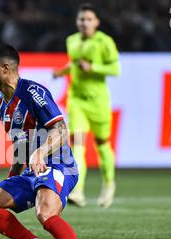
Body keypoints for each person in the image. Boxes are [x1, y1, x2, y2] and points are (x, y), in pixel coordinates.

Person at [0, 43, 104, 239]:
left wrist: (42, 151)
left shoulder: (34, 92)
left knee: (45, 212)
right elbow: (20, 144)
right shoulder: (1, 102)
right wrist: (13, 175)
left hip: (59, 164)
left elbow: (61, 130)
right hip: (32, 170)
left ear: (5, 67)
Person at [53, 3, 121, 208]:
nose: (85, 23)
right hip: (77, 100)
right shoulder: (71, 41)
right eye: (82, 19)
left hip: (98, 101)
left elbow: (115, 68)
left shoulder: (105, 42)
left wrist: (93, 67)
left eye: (89, 19)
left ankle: (109, 184)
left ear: (97, 22)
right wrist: (62, 72)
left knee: (102, 145)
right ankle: (78, 190)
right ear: (77, 22)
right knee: (78, 144)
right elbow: (74, 64)